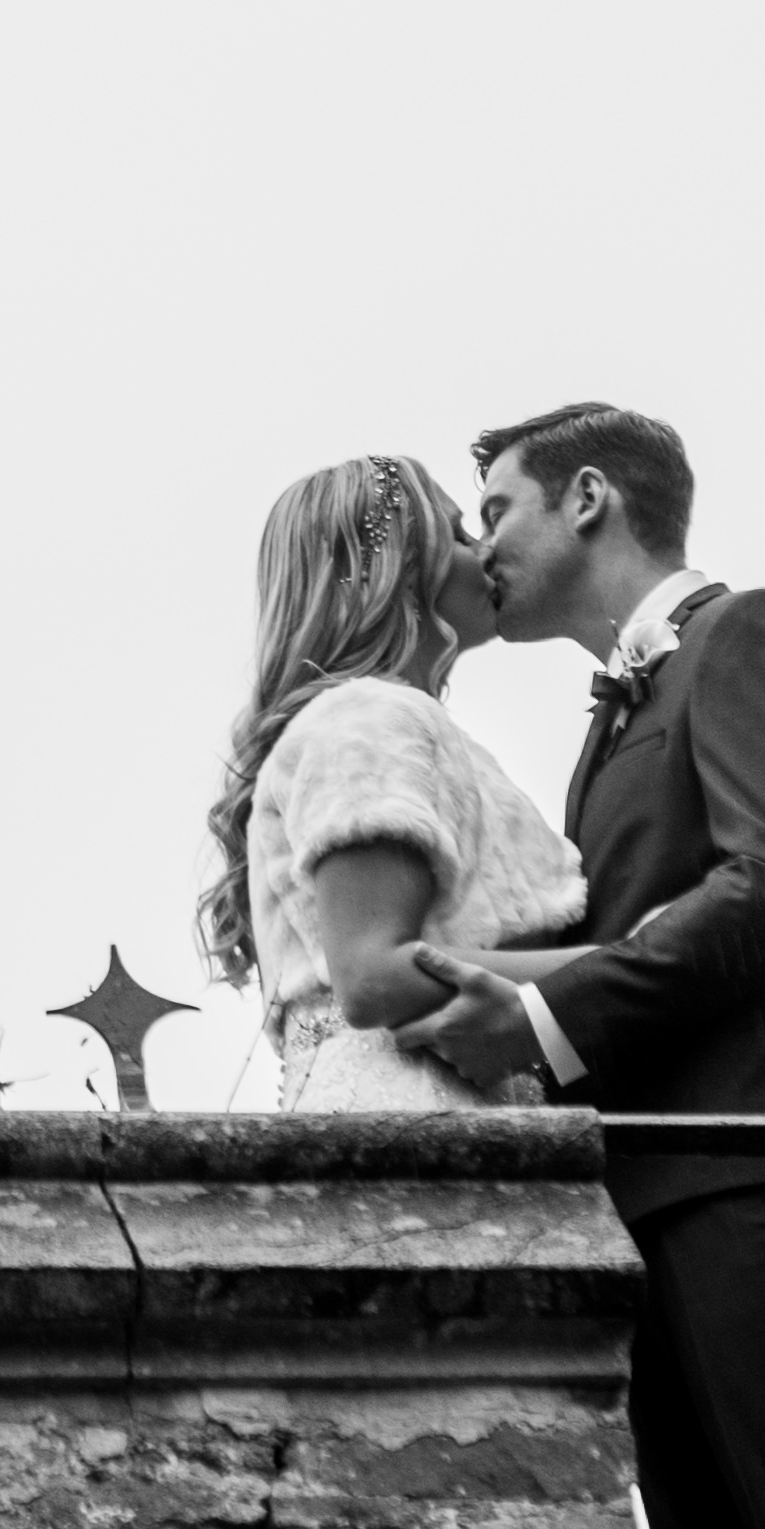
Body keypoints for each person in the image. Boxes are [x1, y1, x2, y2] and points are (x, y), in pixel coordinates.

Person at [390, 402, 765, 1529]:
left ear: (587, 495)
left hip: (745, 1175)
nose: (478, 539)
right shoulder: (605, 725)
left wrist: (546, 1022)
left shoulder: (750, 631)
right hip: (649, 1196)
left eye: (496, 506)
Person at [201, 451, 586, 1106]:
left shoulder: (381, 723)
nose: (487, 551)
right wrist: (626, 967)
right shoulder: (371, 719)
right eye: (462, 534)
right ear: (400, 566)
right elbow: (373, 974)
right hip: (413, 1112)